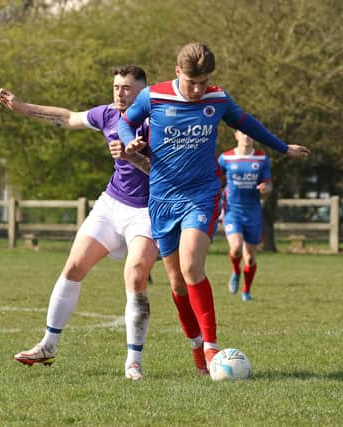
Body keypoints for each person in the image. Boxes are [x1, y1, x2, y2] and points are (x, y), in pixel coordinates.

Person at [118, 42, 311, 373]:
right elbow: (126, 121)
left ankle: (211, 347)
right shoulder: (154, 96)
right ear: (178, 72)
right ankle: (196, 348)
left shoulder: (218, 99)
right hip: (162, 198)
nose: (197, 90)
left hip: (202, 194)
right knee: (177, 283)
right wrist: (130, 140)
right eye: (192, 82)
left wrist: (281, 147)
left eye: (204, 82)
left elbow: (248, 123)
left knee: (193, 265)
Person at [0, 65, 158, 381]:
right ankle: (48, 345)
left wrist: (134, 156)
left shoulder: (161, 122)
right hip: (112, 204)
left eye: (126, 88)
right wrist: (21, 107)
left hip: (148, 211)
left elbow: (169, 178)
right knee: (73, 267)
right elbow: (69, 117)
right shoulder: (109, 115)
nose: (119, 93)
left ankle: (133, 362)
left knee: (136, 276)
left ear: (143, 92)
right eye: (115, 87)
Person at [218, 130, 272, 302]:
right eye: (244, 134)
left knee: (249, 257)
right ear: (236, 135)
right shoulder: (225, 158)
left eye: (250, 134)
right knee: (235, 247)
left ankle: (246, 291)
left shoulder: (262, 159)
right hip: (232, 211)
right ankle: (235, 271)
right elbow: (213, 179)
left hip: (253, 212)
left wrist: (265, 188)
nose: (247, 137)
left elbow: (269, 185)